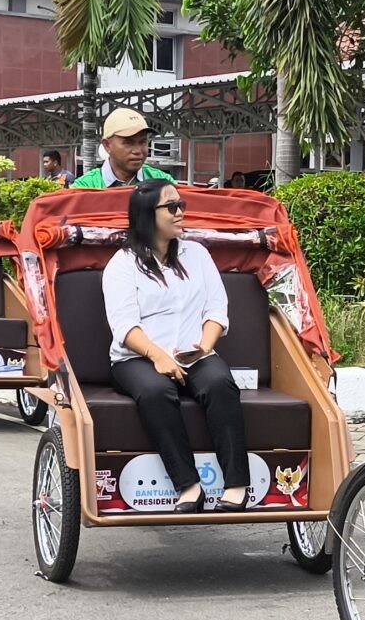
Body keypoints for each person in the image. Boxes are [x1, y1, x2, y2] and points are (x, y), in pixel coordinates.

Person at [102, 180, 249, 511]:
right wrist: (157, 356)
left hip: (193, 351)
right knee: (156, 391)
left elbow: (216, 309)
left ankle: (236, 485)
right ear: (147, 215)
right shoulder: (123, 264)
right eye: (172, 207)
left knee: (220, 383)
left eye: (181, 204)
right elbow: (124, 325)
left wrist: (204, 347)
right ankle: (189, 486)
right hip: (136, 358)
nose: (181, 212)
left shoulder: (197, 254)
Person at [69, 108, 177, 189]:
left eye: (143, 142)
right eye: (128, 143)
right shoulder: (85, 187)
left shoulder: (164, 183)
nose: (138, 151)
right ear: (107, 145)